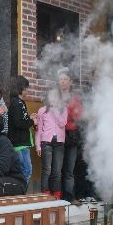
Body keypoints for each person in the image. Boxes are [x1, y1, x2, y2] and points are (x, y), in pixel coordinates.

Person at [57, 68, 83, 203]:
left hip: (71, 135)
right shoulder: (54, 97)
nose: (62, 82)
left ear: (70, 82)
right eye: (60, 79)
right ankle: (57, 196)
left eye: (65, 79)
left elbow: (79, 115)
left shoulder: (75, 98)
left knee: (69, 169)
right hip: (57, 135)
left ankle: (69, 196)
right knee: (57, 168)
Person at [35, 90, 68, 199]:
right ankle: (45, 193)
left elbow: (62, 123)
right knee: (47, 169)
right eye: (51, 95)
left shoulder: (63, 109)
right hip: (46, 142)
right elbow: (39, 130)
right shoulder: (42, 111)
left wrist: (55, 110)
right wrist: (38, 145)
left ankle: (56, 194)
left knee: (57, 171)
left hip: (59, 143)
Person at [7, 75, 37, 186]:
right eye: (26, 88)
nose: (27, 90)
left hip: (21, 143)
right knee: (26, 170)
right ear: (20, 88)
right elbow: (19, 123)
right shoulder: (17, 103)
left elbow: (20, 119)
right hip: (19, 143)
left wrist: (29, 118)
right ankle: (19, 193)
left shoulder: (19, 102)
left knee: (24, 170)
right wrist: (32, 122)